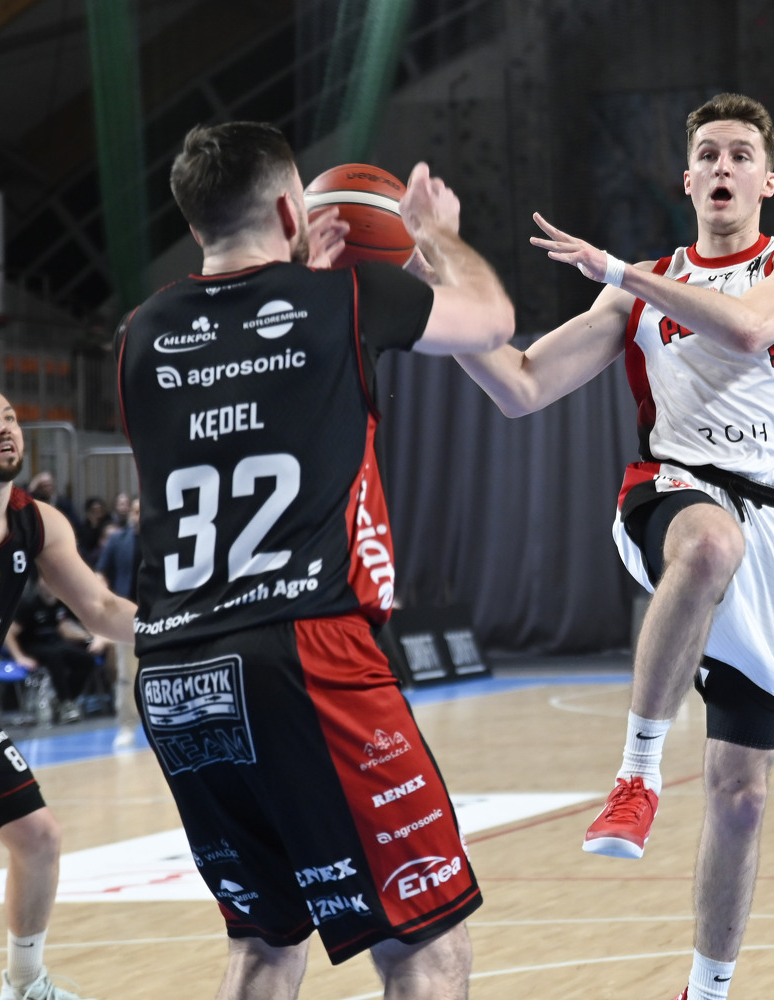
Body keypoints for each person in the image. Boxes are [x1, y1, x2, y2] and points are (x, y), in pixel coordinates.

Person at [115, 121, 514, 1000]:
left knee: (265, 942)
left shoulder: (139, 333)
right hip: (304, 653)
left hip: (175, 672)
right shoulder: (350, 300)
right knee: (424, 945)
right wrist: (435, 235)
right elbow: (493, 320)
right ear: (293, 211)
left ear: (193, 222)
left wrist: (307, 289)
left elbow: (253, 377)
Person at [452, 92, 774, 1000]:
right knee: (705, 546)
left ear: (765, 181)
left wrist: (619, 271)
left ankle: (706, 989)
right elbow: (520, 385)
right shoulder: (637, 288)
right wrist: (444, 297)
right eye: (706, 153)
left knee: (741, 794)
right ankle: (636, 775)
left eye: (739, 154)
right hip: (670, 491)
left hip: (773, 522)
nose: (722, 166)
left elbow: (750, 326)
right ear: (686, 178)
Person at [0, 383, 137, 1000]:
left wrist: (182, 629)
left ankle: (25, 986)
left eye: (10, 417)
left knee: (39, 836)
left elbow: (100, 608)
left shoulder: (37, 522)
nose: (4, 427)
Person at [4, 578, 107, 725]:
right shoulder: (29, 603)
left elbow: (64, 628)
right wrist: (19, 657)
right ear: (40, 583)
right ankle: (65, 702)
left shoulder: (59, 603)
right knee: (54, 656)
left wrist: (89, 637)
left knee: (86, 659)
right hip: (31, 645)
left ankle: (66, 699)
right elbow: (9, 634)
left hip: (53, 643)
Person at [95, 497, 141, 746]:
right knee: (126, 674)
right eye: (135, 511)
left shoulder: (163, 538)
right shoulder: (117, 540)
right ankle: (127, 726)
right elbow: (101, 574)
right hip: (126, 617)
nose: (139, 515)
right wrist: (105, 601)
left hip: (159, 614)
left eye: (142, 511)